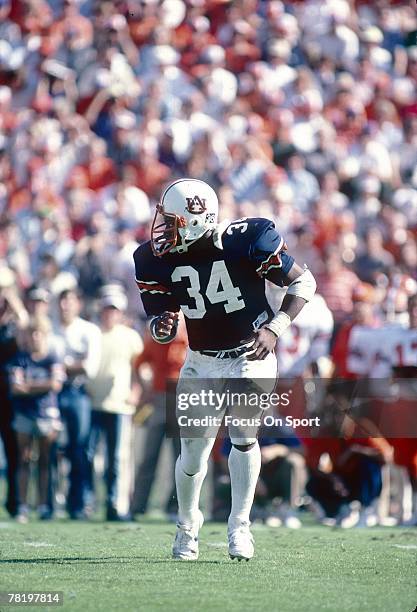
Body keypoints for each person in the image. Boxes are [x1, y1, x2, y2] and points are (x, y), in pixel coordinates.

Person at [133, 178, 316, 560]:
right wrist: (159, 327)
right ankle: (187, 526)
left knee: (244, 436)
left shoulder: (247, 238)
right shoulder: (152, 257)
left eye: (173, 222)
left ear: (198, 220)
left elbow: (304, 282)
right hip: (201, 363)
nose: (164, 230)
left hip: (250, 355)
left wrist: (275, 327)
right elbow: (160, 317)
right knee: (194, 455)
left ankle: (240, 526)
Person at [86, 289, 142, 521]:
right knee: (88, 457)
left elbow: (140, 369)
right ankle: (87, 503)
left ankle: (115, 505)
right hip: (91, 402)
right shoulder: (92, 333)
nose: (110, 313)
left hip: (119, 405)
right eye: (108, 308)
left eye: (114, 309)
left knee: (117, 459)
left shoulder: (130, 337)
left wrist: (136, 392)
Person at [9, 318, 64, 522]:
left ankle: (43, 505)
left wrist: (29, 385)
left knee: (44, 461)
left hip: (47, 414)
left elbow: (56, 385)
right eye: (32, 333)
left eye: (39, 333)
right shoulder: (20, 358)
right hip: (24, 414)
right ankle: (22, 505)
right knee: (23, 460)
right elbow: (16, 387)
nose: (35, 337)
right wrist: (43, 384)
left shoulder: (52, 358)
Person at [132, 315, 187, 518]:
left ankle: (175, 506)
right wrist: (145, 389)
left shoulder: (190, 342)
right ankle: (138, 506)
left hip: (182, 401)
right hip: (159, 400)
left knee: (181, 458)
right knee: (149, 456)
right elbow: (138, 363)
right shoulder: (155, 340)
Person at [53, 289, 101, 519]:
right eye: (63, 300)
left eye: (70, 300)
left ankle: (80, 501)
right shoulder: (50, 328)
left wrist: (60, 366)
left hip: (77, 392)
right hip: (50, 392)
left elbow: (89, 367)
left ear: (79, 304)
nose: (66, 305)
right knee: (51, 448)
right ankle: (49, 502)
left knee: (80, 449)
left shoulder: (88, 330)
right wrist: (70, 364)